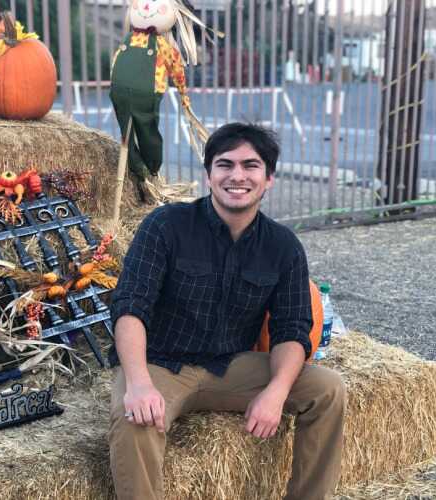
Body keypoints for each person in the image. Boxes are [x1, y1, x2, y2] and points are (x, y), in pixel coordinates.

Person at [108, 122, 346, 500]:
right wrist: (138, 384)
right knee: (136, 420)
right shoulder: (165, 226)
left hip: (232, 366)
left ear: (269, 179)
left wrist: (276, 392)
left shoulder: (283, 247)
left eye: (251, 166)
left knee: (328, 389)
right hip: (160, 364)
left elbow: (292, 329)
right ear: (209, 175)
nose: (237, 176)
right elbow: (129, 307)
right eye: (225, 164)